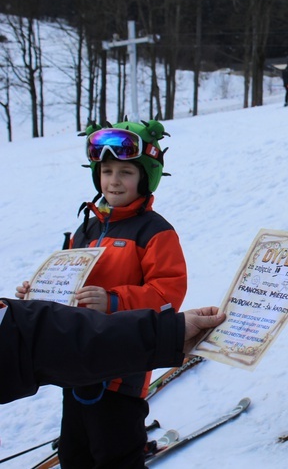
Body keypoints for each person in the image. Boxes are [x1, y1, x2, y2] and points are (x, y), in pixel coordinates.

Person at [15, 119, 188, 468]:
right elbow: (68, 285)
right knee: (75, 454)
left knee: (115, 456)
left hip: (123, 370)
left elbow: (168, 293)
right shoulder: (87, 227)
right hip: (77, 365)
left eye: (125, 171)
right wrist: (38, 294)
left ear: (145, 176)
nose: (114, 180)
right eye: (106, 171)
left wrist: (114, 301)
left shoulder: (154, 232)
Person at [0, 298, 224, 404]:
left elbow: (44, 338)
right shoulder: (87, 226)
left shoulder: (152, 230)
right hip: (82, 380)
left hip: (121, 377)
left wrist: (168, 333)